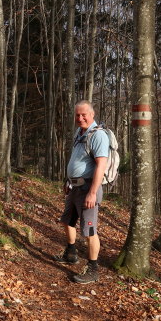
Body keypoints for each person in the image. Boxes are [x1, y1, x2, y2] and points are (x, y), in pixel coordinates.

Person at [55, 100, 109, 284]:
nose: (80, 118)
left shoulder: (98, 135)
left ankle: (93, 269)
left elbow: (101, 165)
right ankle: (70, 253)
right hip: (74, 187)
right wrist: (68, 181)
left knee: (89, 230)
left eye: (84, 114)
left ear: (92, 115)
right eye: (77, 115)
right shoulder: (80, 133)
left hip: (88, 188)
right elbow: (77, 159)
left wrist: (92, 193)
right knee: (67, 221)